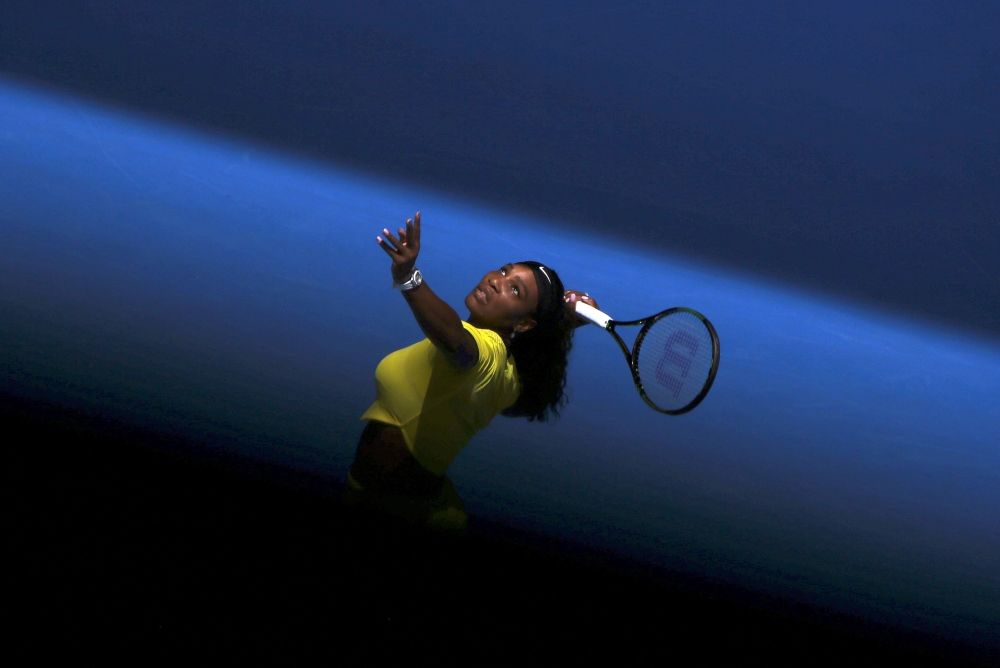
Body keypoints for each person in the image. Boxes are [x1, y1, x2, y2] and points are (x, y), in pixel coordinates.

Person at [344, 211, 598, 530]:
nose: (495, 280)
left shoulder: (485, 353)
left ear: (524, 323)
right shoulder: (512, 375)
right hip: (420, 500)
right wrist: (564, 323)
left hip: (393, 509)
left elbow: (453, 337)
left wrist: (408, 277)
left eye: (515, 290)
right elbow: (518, 391)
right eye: (504, 271)